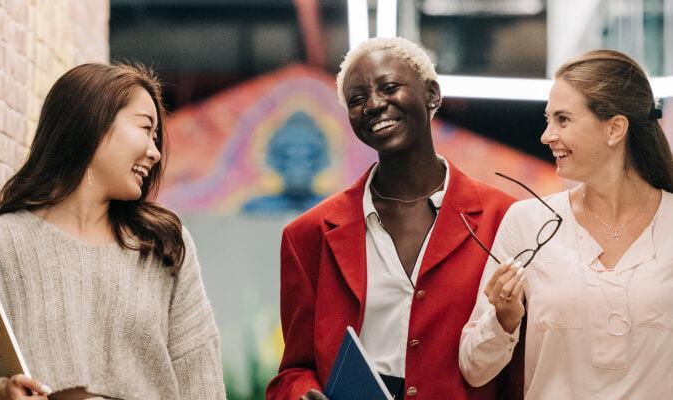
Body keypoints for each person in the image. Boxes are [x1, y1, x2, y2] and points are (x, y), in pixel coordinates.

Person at [266, 37, 522, 400]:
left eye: (389, 87)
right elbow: (293, 370)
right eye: (356, 99)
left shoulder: (503, 218)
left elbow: (521, 367)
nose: (373, 104)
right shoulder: (308, 235)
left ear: (432, 94)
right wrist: (302, 394)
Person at [0, 63, 226, 400]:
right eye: (146, 129)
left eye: (157, 138)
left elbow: (203, 386)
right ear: (93, 124)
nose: (155, 153)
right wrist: (0, 392)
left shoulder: (165, 247)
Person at [459, 49, 673, 399]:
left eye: (562, 120)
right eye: (548, 119)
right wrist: (503, 320)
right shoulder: (527, 222)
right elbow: (474, 367)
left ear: (615, 129)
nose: (546, 135)